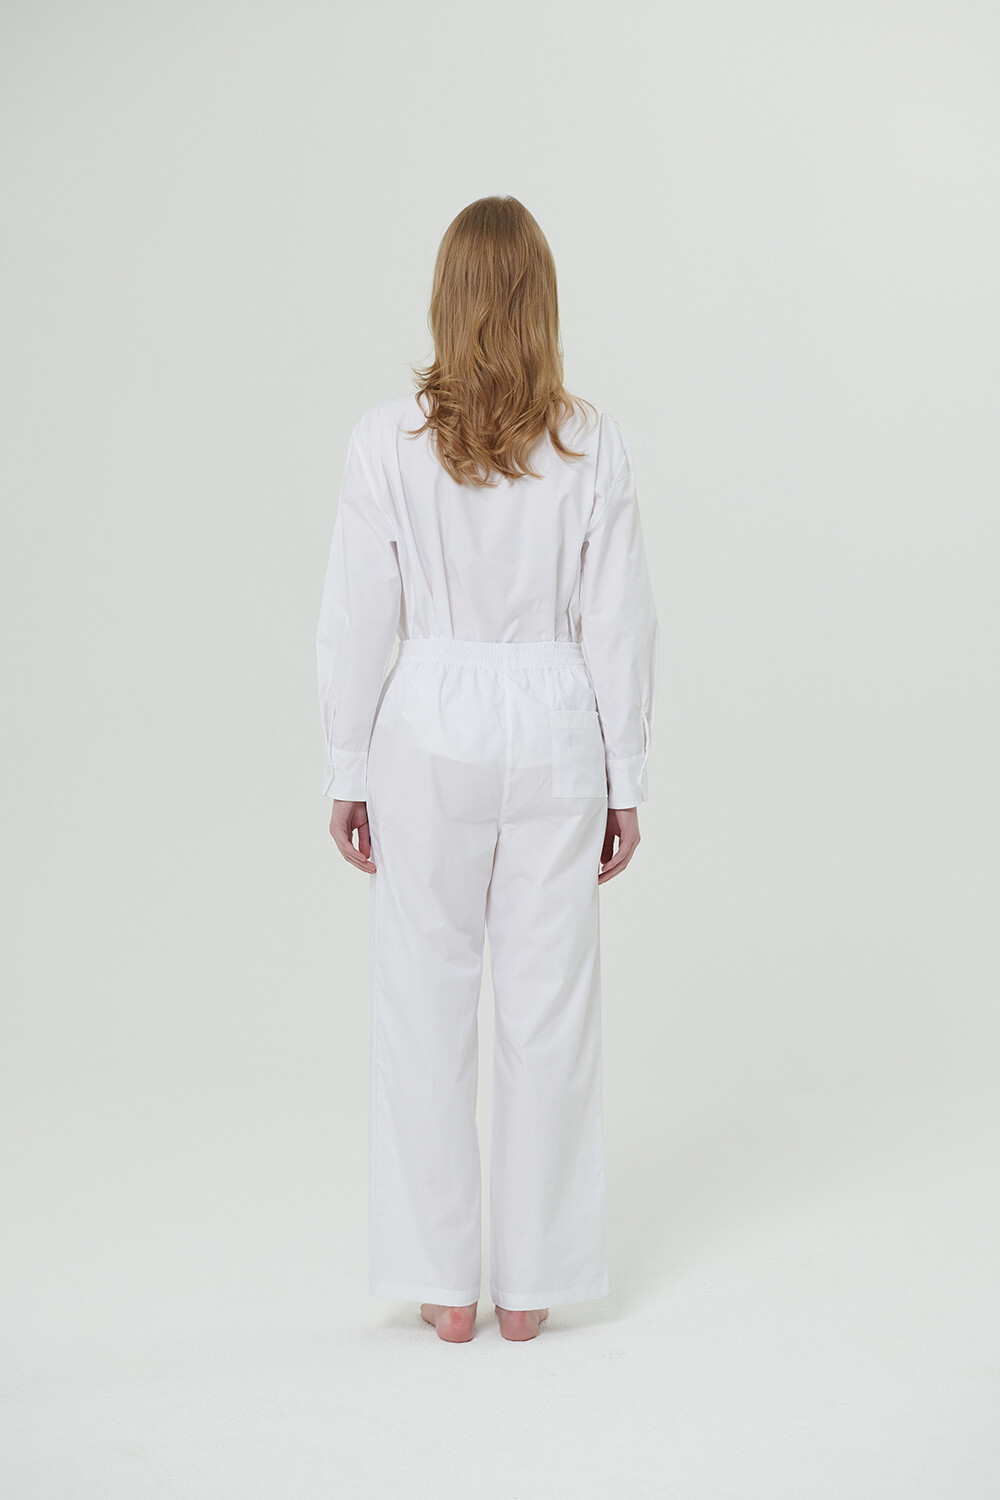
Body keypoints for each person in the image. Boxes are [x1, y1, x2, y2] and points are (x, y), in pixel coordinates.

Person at [316, 196, 658, 1344]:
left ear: (446, 297)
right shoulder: (589, 443)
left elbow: (357, 615)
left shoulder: (386, 441)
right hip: (555, 719)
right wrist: (625, 776)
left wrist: (347, 762)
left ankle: (442, 1285)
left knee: (423, 1000)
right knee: (546, 1011)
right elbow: (620, 621)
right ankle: (530, 1287)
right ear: (541, 302)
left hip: (427, 720)